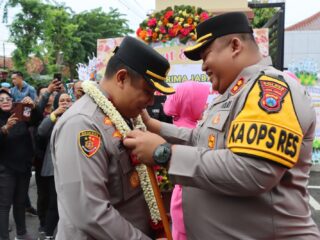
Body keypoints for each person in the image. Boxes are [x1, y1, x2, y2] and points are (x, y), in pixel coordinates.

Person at [123, 12, 320, 239]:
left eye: (206, 56)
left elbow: (254, 171)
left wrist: (164, 154)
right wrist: (154, 126)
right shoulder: (234, 93)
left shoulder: (270, 90)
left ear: (235, 46)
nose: (203, 66)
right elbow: (203, 140)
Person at [50, 36, 175, 240]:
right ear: (122, 78)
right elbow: (90, 213)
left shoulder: (126, 116)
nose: (152, 101)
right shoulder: (82, 124)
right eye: (148, 91)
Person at [163, 81, 210, 240]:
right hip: (187, 205)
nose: (205, 106)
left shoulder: (184, 124)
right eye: (202, 101)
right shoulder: (187, 130)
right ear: (190, 103)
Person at [0, 89, 39, 240]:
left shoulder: (21, 113)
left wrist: (33, 107)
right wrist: (5, 129)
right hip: (5, 169)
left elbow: (36, 121)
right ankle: (4, 237)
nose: (5, 101)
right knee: (4, 206)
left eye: (7, 99)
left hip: (23, 167)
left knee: (20, 202)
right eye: (1, 99)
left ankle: (22, 234)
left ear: (13, 101)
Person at [38, 93, 72, 240]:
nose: (65, 103)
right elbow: (41, 131)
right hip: (53, 167)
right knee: (54, 202)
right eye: (62, 100)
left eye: (68, 100)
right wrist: (55, 114)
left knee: (70, 203)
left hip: (71, 167)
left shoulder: (77, 115)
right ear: (57, 103)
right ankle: (48, 233)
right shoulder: (52, 117)